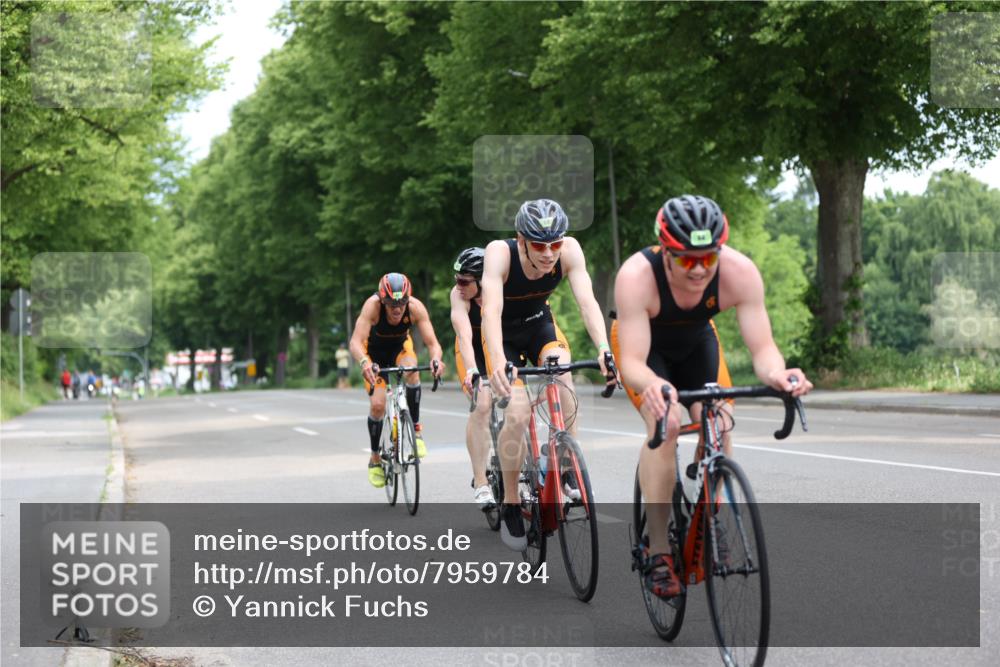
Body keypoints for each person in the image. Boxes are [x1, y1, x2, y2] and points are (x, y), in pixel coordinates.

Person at [612, 194, 813, 598]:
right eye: (687, 259)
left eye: (709, 257)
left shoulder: (739, 272)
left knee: (719, 419)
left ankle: (709, 517)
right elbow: (632, 363)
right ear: (665, 251)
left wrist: (779, 374)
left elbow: (763, 349)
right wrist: (654, 386)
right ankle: (658, 549)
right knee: (665, 423)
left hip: (697, 340)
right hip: (644, 351)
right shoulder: (636, 276)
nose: (700, 268)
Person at [481, 198, 615, 551]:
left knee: (565, 374)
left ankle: (566, 464)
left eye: (554, 243)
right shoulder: (500, 253)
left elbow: (587, 302)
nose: (548, 253)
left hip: (540, 325)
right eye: (539, 245)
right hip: (502, 336)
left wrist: (604, 348)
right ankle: (511, 501)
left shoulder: (569, 250)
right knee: (518, 411)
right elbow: (491, 312)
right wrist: (498, 363)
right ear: (520, 239)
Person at [349, 273, 445, 488]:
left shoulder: (415, 307)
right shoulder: (372, 307)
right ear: (383, 300)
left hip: (400, 349)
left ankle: (416, 431)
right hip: (373, 356)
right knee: (377, 406)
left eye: (401, 302)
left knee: (412, 370)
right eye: (392, 303)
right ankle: (375, 458)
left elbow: (433, 344)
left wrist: (436, 360)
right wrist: (365, 363)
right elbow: (355, 342)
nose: (397, 308)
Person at [449, 247, 495, 510]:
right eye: (456, 279)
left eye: (465, 281)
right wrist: (471, 371)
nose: (459, 286)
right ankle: (481, 482)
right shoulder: (459, 296)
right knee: (482, 404)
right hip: (470, 350)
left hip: (495, 345)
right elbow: (464, 336)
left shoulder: (499, 290)